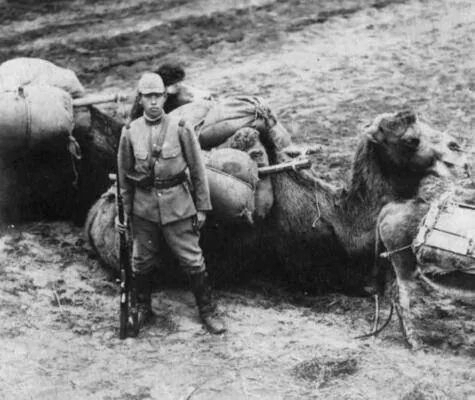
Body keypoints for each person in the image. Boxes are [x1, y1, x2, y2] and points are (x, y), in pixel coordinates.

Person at [117, 72, 225, 335]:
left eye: (157, 96)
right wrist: (125, 214)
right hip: (144, 210)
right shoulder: (130, 133)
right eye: (147, 97)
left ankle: (207, 310)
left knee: (192, 260)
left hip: (178, 206)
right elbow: (124, 178)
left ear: (165, 97)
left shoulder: (180, 128)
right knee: (141, 261)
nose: (153, 102)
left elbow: (198, 170)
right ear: (140, 99)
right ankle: (143, 308)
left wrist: (201, 207)